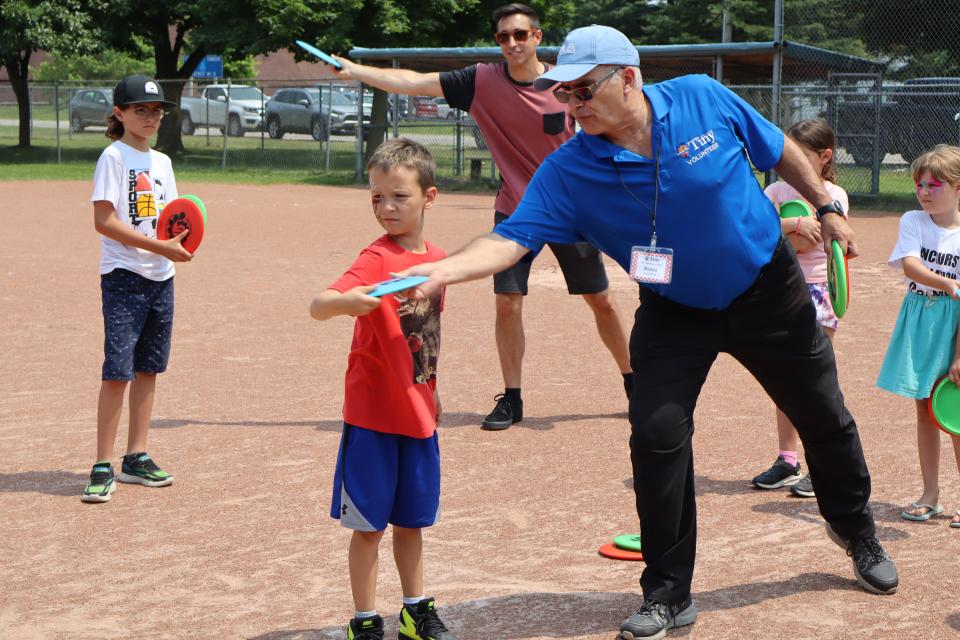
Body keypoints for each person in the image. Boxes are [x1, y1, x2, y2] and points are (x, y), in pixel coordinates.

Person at [398, 25, 899, 640]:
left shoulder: (700, 97)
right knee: (656, 436)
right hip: (673, 307)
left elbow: (775, 149)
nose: (571, 105)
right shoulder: (569, 169)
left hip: (767, 289)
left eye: (583, 91)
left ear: (627, 77)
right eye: (564, 94)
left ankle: (856, 532)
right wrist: (440, 270)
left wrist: (825, 203)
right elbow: (510, 238)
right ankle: (667, 591)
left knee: (823, 414)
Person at [327, 3, 632, 430]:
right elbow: (414, 83)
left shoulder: (565, 85)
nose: (512, 43)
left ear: (537, 37)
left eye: (521, 35)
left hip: (569, 209)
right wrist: (356, 71)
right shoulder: (481, 81)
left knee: (600, 299)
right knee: (507, 303)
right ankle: (512, 398)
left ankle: (635, 382)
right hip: (518, 212)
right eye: (504, 36)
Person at [310, 139, 458, 640]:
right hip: (373, 417)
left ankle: (414, 610)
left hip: (418, 413)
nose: (386, 207)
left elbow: (428, 335)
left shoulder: (438, 262)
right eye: (376, 197)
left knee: (412, 521)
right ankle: (365, 621)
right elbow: (319, 303)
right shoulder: (374, 258)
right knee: (369, 527)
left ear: (428, 197)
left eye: (398, 196)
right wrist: (346, 301)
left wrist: (432, 389)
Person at [82, 75, 192, 503]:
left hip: (161, 276)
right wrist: (159, 246)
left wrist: (181, 241)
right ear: (119, 113)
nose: (150, 118)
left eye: (156, 111)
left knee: (148, 368)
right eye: (140, 110)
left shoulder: (162, 163)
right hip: (125, 275)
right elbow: (104, 221)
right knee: (118, 371)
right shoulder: (113, 157)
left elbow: (173, 217)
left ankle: (136, 456)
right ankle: (102, 464)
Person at [751, 120, 850, 499]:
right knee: (783, 378)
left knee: (815, 381)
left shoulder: (834, 195)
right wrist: (793, 224)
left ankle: (821, 464)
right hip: (780, 291)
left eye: (800, 154)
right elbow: (759, 233)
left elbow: (825, 246)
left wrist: (792, 236)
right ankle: (787, 461)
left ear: (824, 157)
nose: (787, 161)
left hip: (819, 292)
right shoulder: (775, 191)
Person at [876, 144, 960, 529]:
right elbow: (910, 264)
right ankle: (930, 495)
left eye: (935, 184)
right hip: (921, 318)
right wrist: (946, 283)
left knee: (955, 413)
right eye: (920, 184)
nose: (924, 191)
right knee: (926, 410)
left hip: (955, 325)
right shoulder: (913, 220)